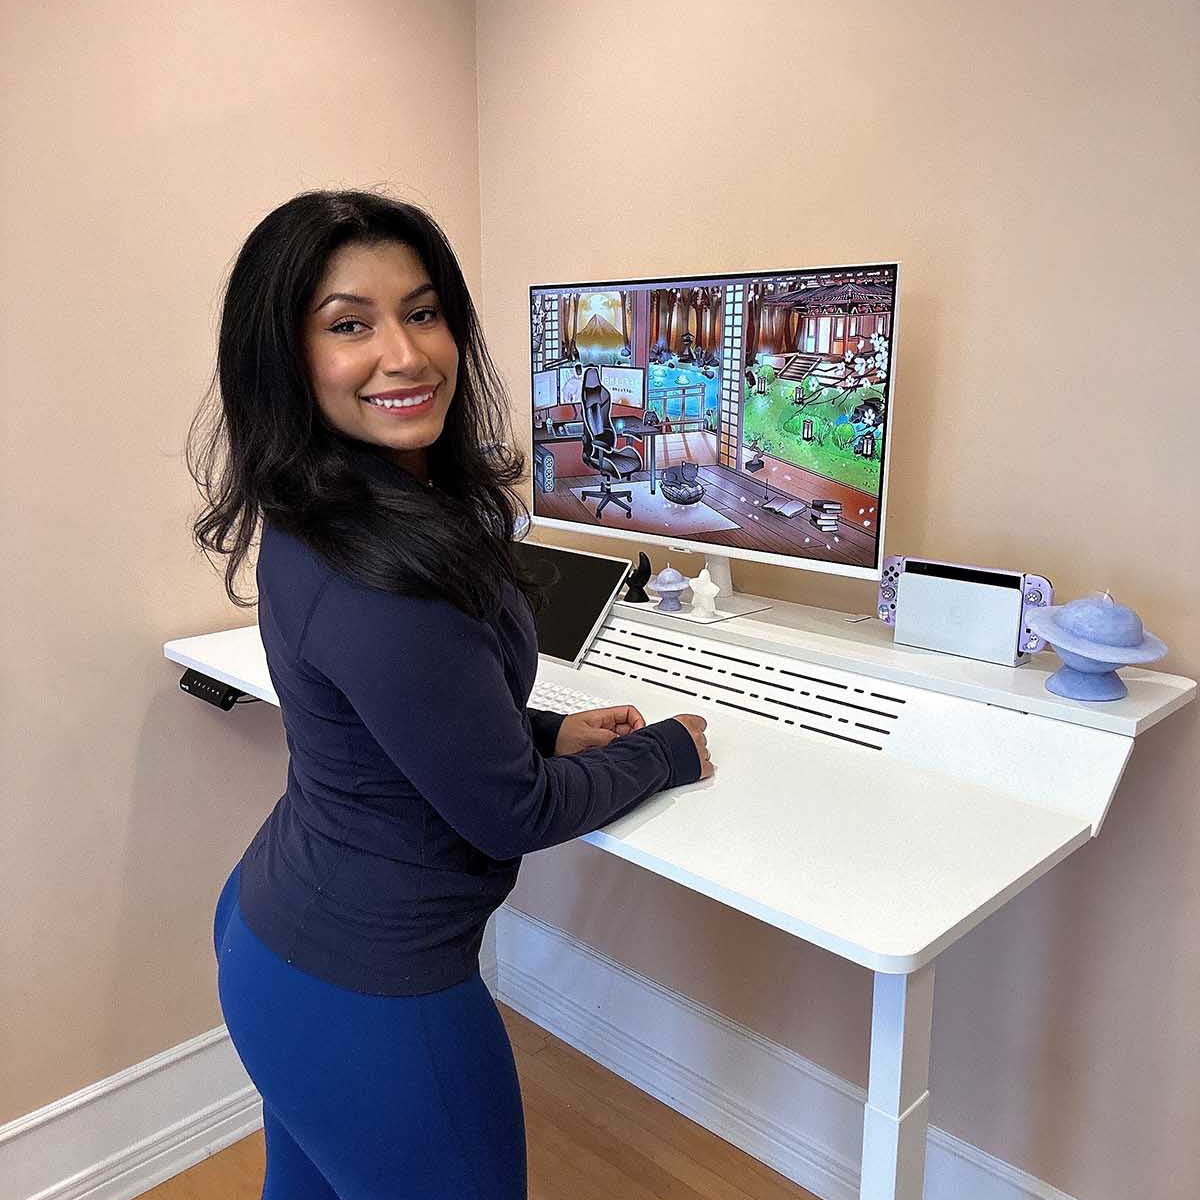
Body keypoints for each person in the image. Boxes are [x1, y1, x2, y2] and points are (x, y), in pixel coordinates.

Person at [187, 189, 714, 1200]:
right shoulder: (379, 569)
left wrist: (550, 729)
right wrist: (667, 751)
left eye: (422, 313)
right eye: (351, 325)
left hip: (278, 935)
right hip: (365, 992)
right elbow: (504, 810)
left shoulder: (339, 508)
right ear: (286, 357)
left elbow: (413, 716)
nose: (407, 354)